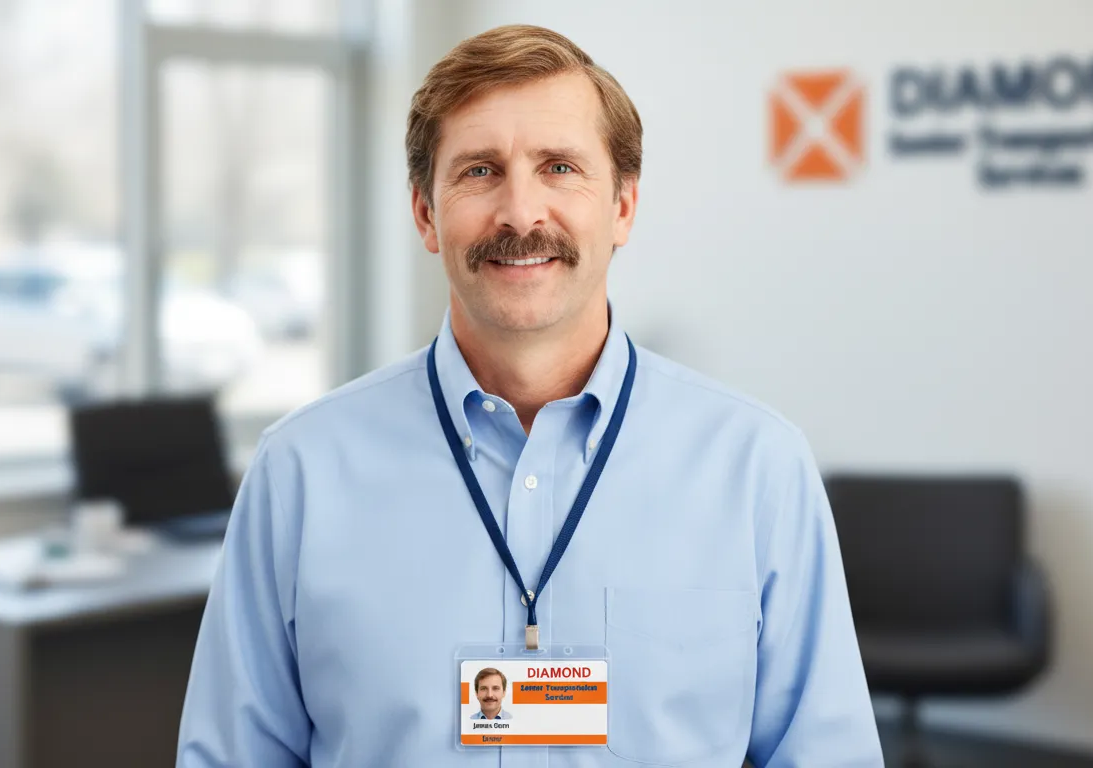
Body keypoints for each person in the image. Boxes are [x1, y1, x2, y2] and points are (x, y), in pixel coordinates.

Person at [177, 23, 882, 767]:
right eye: (480, 171)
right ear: (425, 213)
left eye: (560, 167)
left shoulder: (758, 470)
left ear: (623, 207)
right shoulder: (300, 472)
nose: (520, 212)